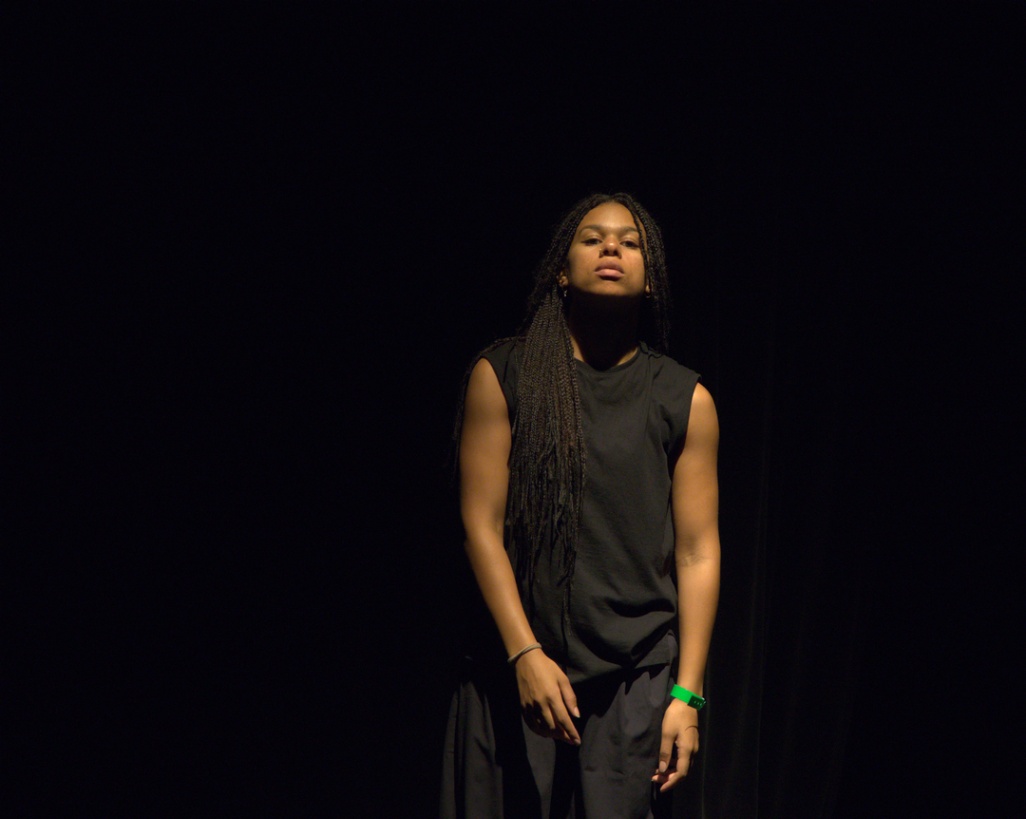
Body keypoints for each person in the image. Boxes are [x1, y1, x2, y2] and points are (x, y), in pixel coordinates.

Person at [440, 193, 720, 819]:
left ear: (653, 279)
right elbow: (478, 524)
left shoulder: (682, 396)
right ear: (561, 271)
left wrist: (687, 697)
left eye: (630, 241)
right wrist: (524, 652)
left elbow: (698, 549)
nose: (613, 248)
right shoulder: (505, 371)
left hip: (633, 683)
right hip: (513, 675)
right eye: (592, 238)